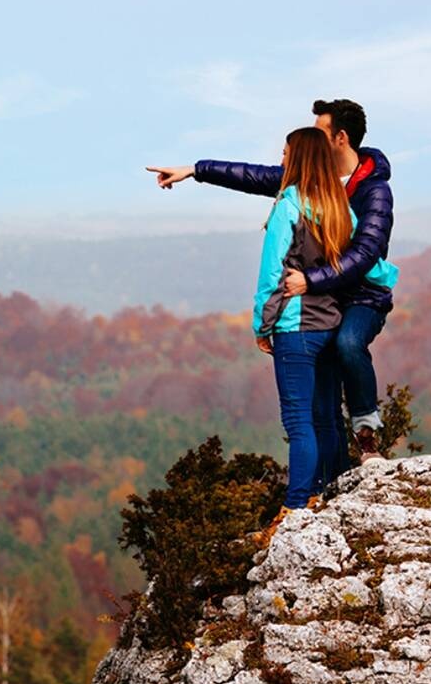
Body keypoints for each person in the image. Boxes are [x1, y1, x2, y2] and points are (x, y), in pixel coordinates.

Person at [148, 100, 394, 470]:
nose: (311, 137)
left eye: (319, 132)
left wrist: (310, 280)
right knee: (320, 405)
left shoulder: (374, 191)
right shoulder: (311, 179)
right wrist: (193, 170)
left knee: (348, 343)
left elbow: (362, 257)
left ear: (341, 138)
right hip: (323, 299)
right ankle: (332, 477)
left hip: (360, 296)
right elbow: (251, 176)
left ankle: (366, 432)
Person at [247, 127, 396, 544]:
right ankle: (332, 491)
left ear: (298, 159)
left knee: (299, 421)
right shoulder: (337, 205)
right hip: (330, 322)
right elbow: (358, 260)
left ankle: (297, 504)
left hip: (295, 327)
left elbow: (271, 273)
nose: (279, 158)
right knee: (328, 415)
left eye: (284, 152)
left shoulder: (288, 205)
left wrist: (263, 324)